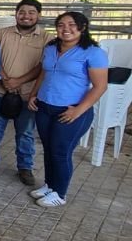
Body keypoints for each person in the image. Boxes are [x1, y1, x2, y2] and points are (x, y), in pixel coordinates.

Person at [27, 12, 108, 207]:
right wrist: (33, 94)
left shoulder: (93, 52)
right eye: (61, 25)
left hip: (71, 110)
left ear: (82, 27)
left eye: (72, 25)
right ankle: (50, 185)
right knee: (48, 148)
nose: (66, 29)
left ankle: (60, 193)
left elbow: (100, 86)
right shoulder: (51, 47)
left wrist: (78, 111)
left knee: (60, 151)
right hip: (45, 106)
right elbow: (44, 73)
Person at [0, 0, 54, 186]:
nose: (26, 16)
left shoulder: (47, 39)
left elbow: (43, 66)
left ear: (39, 15)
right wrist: (5, 79)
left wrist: (18, 81)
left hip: (28, 95)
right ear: (16, 14)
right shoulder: (2, 34)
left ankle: (25, 167)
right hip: (0, 91)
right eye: (22, 12)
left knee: (25, 133)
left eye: (31, 12)